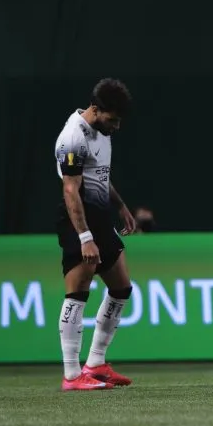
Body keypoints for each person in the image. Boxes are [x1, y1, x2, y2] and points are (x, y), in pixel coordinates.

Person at [53, 78, 138, 391]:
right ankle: (73, 375)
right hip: (77, 219)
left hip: (101, 216)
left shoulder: (103, 132)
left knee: (121, 288)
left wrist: (121, 206)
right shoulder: (73, 137)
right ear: (96, 109)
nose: (116, 127)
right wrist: (84, 236)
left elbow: (100, 174)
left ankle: (97, 363)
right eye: (112, 120)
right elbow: (70, 189)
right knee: (78, 291)